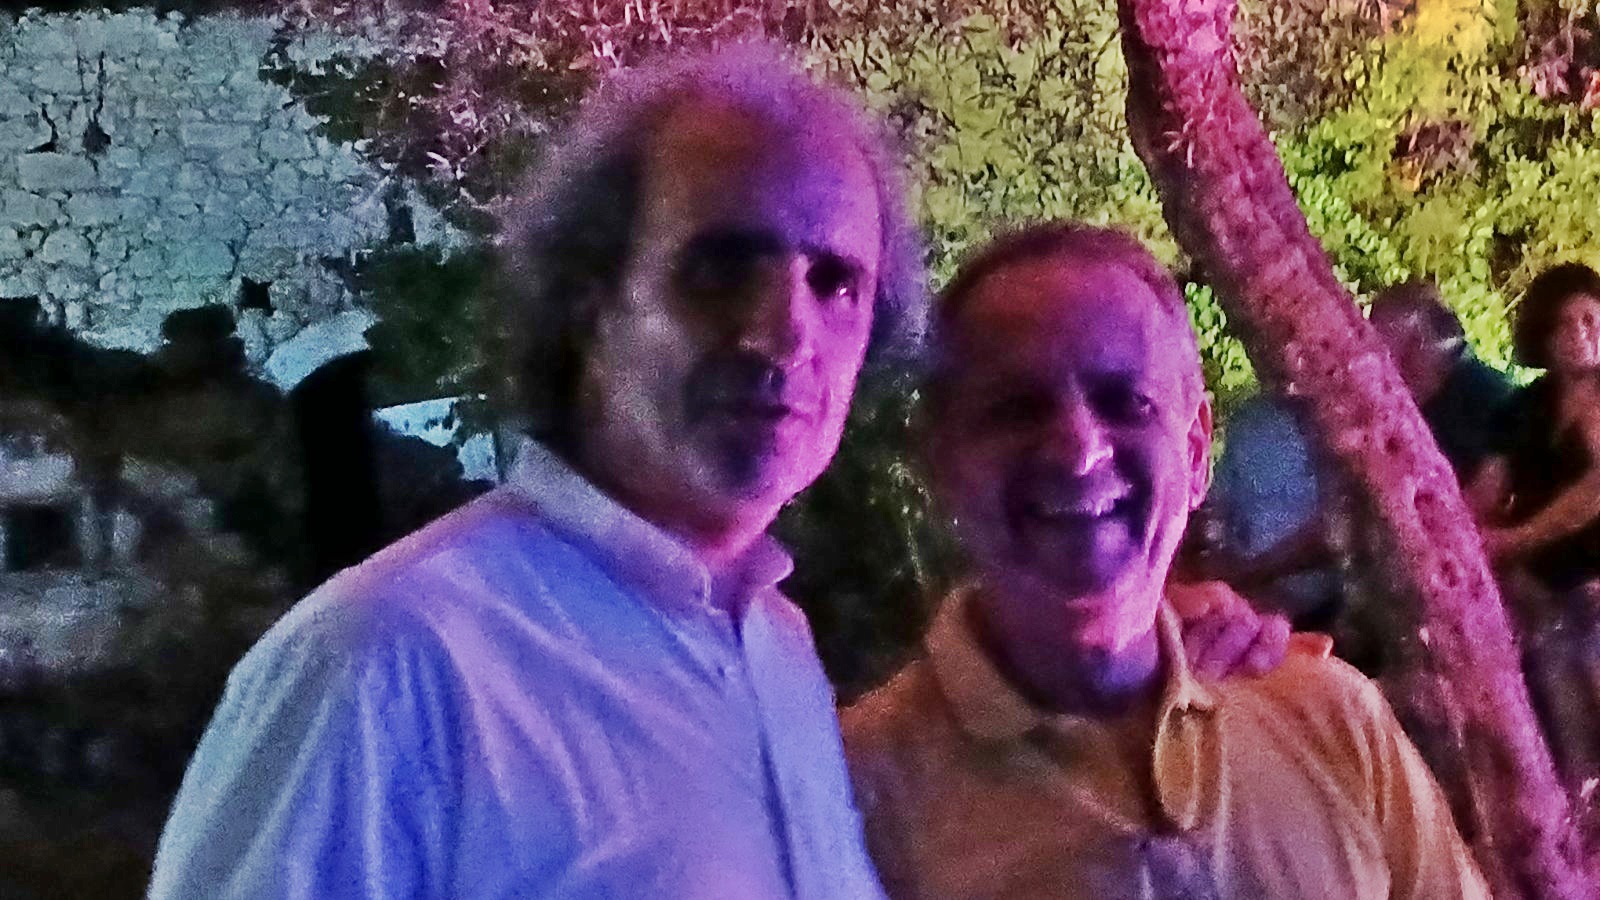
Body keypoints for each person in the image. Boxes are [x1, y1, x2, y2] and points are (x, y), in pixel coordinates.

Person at [150, 47, 1284, 899]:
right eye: (721, 265)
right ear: (592, 301)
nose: (784, 331)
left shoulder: (774, 654)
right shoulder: (388, 664)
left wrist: (1154, 636)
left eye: (835, 281)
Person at [842, 223, 1488, 899]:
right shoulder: (856, 798)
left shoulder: (1333, 718)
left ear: (1197, 449)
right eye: (1017, 409)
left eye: (1126, 403)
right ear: (940, 462)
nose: (1079, 451)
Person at [1470, 262, 1600, 788]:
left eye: (1590, 321)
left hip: (1591, 590)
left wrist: (1513, 542)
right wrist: (1473, 544)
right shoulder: (1523, 408)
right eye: (1563, 324)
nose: (1579, 335)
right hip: (1543, 593)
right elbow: (1486, 491)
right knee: (1571, 748)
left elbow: (1593, 493)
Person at [1368, 279, 1511, 484]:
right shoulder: (1432, 404)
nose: (1396, 380)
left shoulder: (1487, 398)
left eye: (1405, 358)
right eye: (1388, 364)